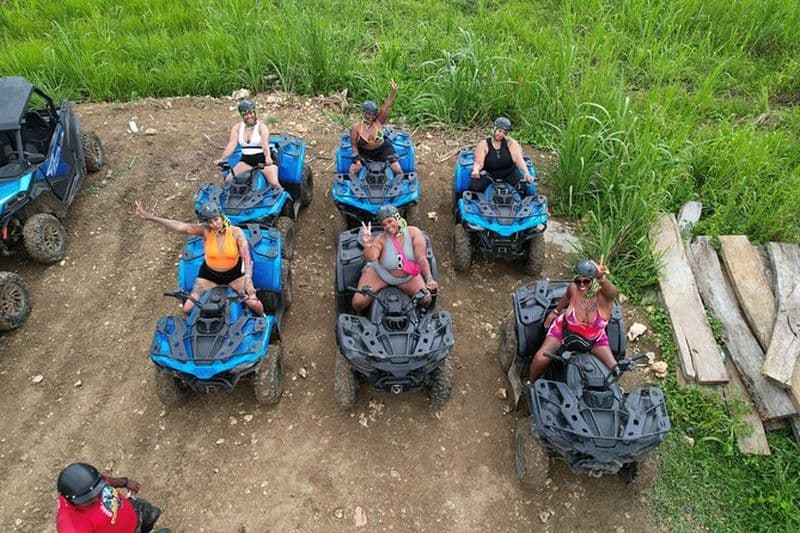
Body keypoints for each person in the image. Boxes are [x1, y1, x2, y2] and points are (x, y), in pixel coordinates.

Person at [135, 200, 264, 316]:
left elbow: (246, 258)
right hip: (209, 275)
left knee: (254, 303)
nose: (214, 224)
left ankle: (264, 320)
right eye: (210, 222)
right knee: (187, 308)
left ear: (221, 216)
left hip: (234, 274)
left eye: (216, 219)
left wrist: (247, 278)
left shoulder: (236, 232)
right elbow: (181, 226)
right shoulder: (205, 231)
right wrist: (151, 218)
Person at [528, 259, 621, 382]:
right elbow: (566, 297)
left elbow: (612, 292)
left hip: (594, 339)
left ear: (593, 281)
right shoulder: (573, 289)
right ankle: (531, 382)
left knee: (615, 369)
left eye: (586, 281)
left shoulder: (604, 299)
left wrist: (602, 278)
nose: (582, 285)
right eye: (578, 281)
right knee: (541, 358)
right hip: (564, 332)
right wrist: (555, 312)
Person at [352, 204, 437, 312]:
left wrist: (429, 278)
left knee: (425, 298)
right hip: (380, 274)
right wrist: (368, 243)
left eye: (390, 221)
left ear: (398, 218)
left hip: (407, 278)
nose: (387, 226)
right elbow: (371, 257)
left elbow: (421, 258)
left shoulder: (414, 233)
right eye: (384, 225)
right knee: (358, 303)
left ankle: (416, 319)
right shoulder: (380, 239)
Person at [55, 462, 167, 532]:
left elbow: (104, 480)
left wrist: (124, 482)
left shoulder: (92, 482)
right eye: (88, 500)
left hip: (133, 512)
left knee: (151, 516)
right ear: (73, 501)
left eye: (99, 491)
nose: (97, 499)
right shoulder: (71, 526)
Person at [213, 100, 281, 189]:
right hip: (247, 160)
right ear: (242, 115)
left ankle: (287, 199)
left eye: (251, 113)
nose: (249, 116)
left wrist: (268, 158)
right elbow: (231, 144)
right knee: (228, 180)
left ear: (254, 112)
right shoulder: (237, 128)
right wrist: (222, 158)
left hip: (263, 160)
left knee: (274, 183)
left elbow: (265, 145)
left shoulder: (262, 127)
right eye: (245, 114)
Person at [349, 80, 404, 177]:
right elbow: (354, 145)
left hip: (383, 150)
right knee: (353, 170)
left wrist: (393, 92)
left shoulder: (379, 121)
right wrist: (357, 160)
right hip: (365, 152)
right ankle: (351, 190)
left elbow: (387, 106)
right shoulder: (356, 128)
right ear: (364, 113)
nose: (371, 116)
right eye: (368, 114)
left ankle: (400, 188)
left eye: (373, 114)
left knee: (397, 168)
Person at [469, 117, 535, 193]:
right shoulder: (483, 144)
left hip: (509, 172)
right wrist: (476, 170)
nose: (501, 134)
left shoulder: (511, 143)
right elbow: (478, 163)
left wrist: (526, 173)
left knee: (524, 188)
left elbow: (518, 159)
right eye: (499, 131)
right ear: (494, 129)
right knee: (474, 188)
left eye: (504, 133)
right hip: (489, 174)